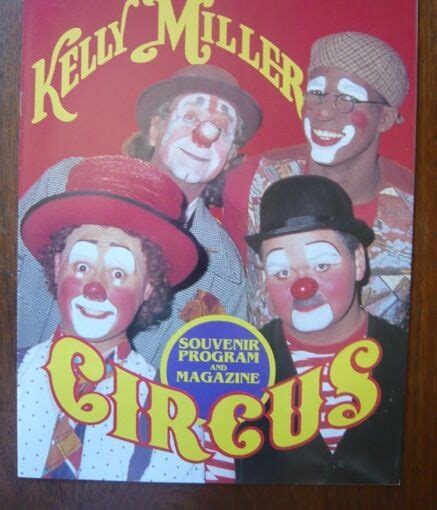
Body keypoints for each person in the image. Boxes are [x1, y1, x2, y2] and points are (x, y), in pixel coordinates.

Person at [17, 64, 262, 367]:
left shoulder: (225, 274)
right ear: (155, 129)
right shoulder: (63, 184)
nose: (204, 136)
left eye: (221, 128)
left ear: (230, 156)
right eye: (189, 117)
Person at [18, 155, 205, 482]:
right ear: (58, 266)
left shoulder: (172, 418)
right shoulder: (13, 376)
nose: (95, 287)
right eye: (82, 266)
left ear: (149, 286)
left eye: (118, 273)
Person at [222, 32, 413, 329]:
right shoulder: (252, 180)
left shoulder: (416, 208)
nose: (323, 112)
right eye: (316, 93)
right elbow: (229, 290)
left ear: (385, 119)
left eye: (348, 99)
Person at [236, 175, 407, 484]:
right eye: (282, 272)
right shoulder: (242, 362)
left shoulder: (411, 357)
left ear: (358, 262)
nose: (302, 287)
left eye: (322, 265)